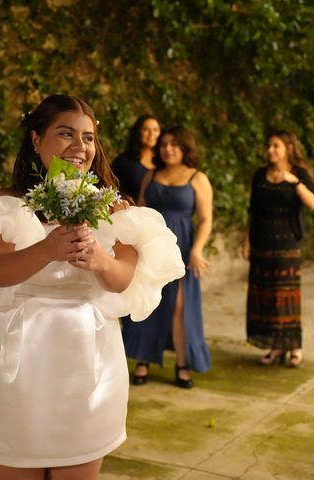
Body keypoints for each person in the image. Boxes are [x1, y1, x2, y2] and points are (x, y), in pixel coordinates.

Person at [0, 95, 185, 480]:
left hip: (89, 361)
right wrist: (48, 249)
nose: (80, 147)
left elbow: (123, 278)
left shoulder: (114, 209)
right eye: (66, 134)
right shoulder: (0, 205)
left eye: (89, 137)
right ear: (35, 139)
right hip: (15, 362)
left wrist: (100, 260)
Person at [122, 126, 213, 388]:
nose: (168, 148)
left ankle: (183, 363)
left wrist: (197, 250)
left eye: (174, 144)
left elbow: (206, 219)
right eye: (164, 144)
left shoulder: (197, 177)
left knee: (179, 307)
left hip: (183, 247)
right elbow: (141, 209)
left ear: (185, 148)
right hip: (151, 245)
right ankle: (143, 359)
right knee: (148, 299)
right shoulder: (152, 174)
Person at [242, 130, 314, 368]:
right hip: (262, 243)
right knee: (266, 297)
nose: (270, 150)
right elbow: (252, 211)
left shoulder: (299, 174)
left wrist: (294, 182)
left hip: (287, 245)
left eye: (276, 146)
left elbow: (313, 204)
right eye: (269, 146)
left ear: (288, 148)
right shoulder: (259, 175)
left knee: (286, 298)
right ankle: (276, 347)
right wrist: (247, 241)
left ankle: (295, 347)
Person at [110, 115, 160, 202]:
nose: (151, 134)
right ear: (138, 132)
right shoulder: (124, 161)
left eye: (155, 130)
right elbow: (111, 189)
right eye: (146, 129)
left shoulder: (164, 161)